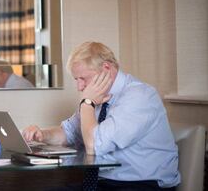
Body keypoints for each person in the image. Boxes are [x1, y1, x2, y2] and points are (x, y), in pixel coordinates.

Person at [22, 42, 180, 190]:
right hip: (105, 182)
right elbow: (69, 132)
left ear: (106, 68)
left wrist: (87, 102)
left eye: (83, 78)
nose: (79, 87)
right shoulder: (96, 97)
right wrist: (42, 134)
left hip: (141, 184)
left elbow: (94, 146)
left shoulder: (140, 97)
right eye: (76, 80)